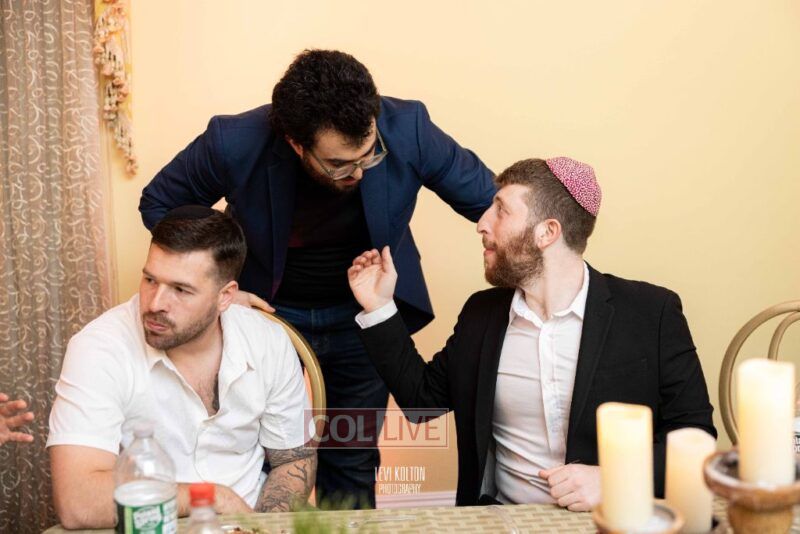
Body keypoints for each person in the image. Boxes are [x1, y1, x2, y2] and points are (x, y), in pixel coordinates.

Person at [138, 49, 495, 508]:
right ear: (295, 143)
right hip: (266, 315)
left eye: (370, 155)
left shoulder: (409, 128)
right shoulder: (233, 141)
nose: (359, 171)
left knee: (352, 456)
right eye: (340, 165)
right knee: (260, 453)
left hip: (361, 318)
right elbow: (159, 203)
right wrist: (223, 287)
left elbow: (492, 204)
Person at [348, 157, 716, 510]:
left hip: (615, 519)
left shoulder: (652, 312)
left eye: (501, 210)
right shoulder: (481, 314)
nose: (481, 223)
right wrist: (379, 307)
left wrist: (614, 480)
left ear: (547, 232)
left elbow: (696, 438)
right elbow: (422, 401)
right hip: (504, 520)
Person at [48, 207, 316, 529]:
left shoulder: (268, 340)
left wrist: (261, 527)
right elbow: (77, 500)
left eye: (181, 289)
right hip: (150, 525)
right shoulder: (99, 348)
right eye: (150, 279)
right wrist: (210, 497)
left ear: (225, 296)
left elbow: (293, 458)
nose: (155, 303)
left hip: (249, 519)